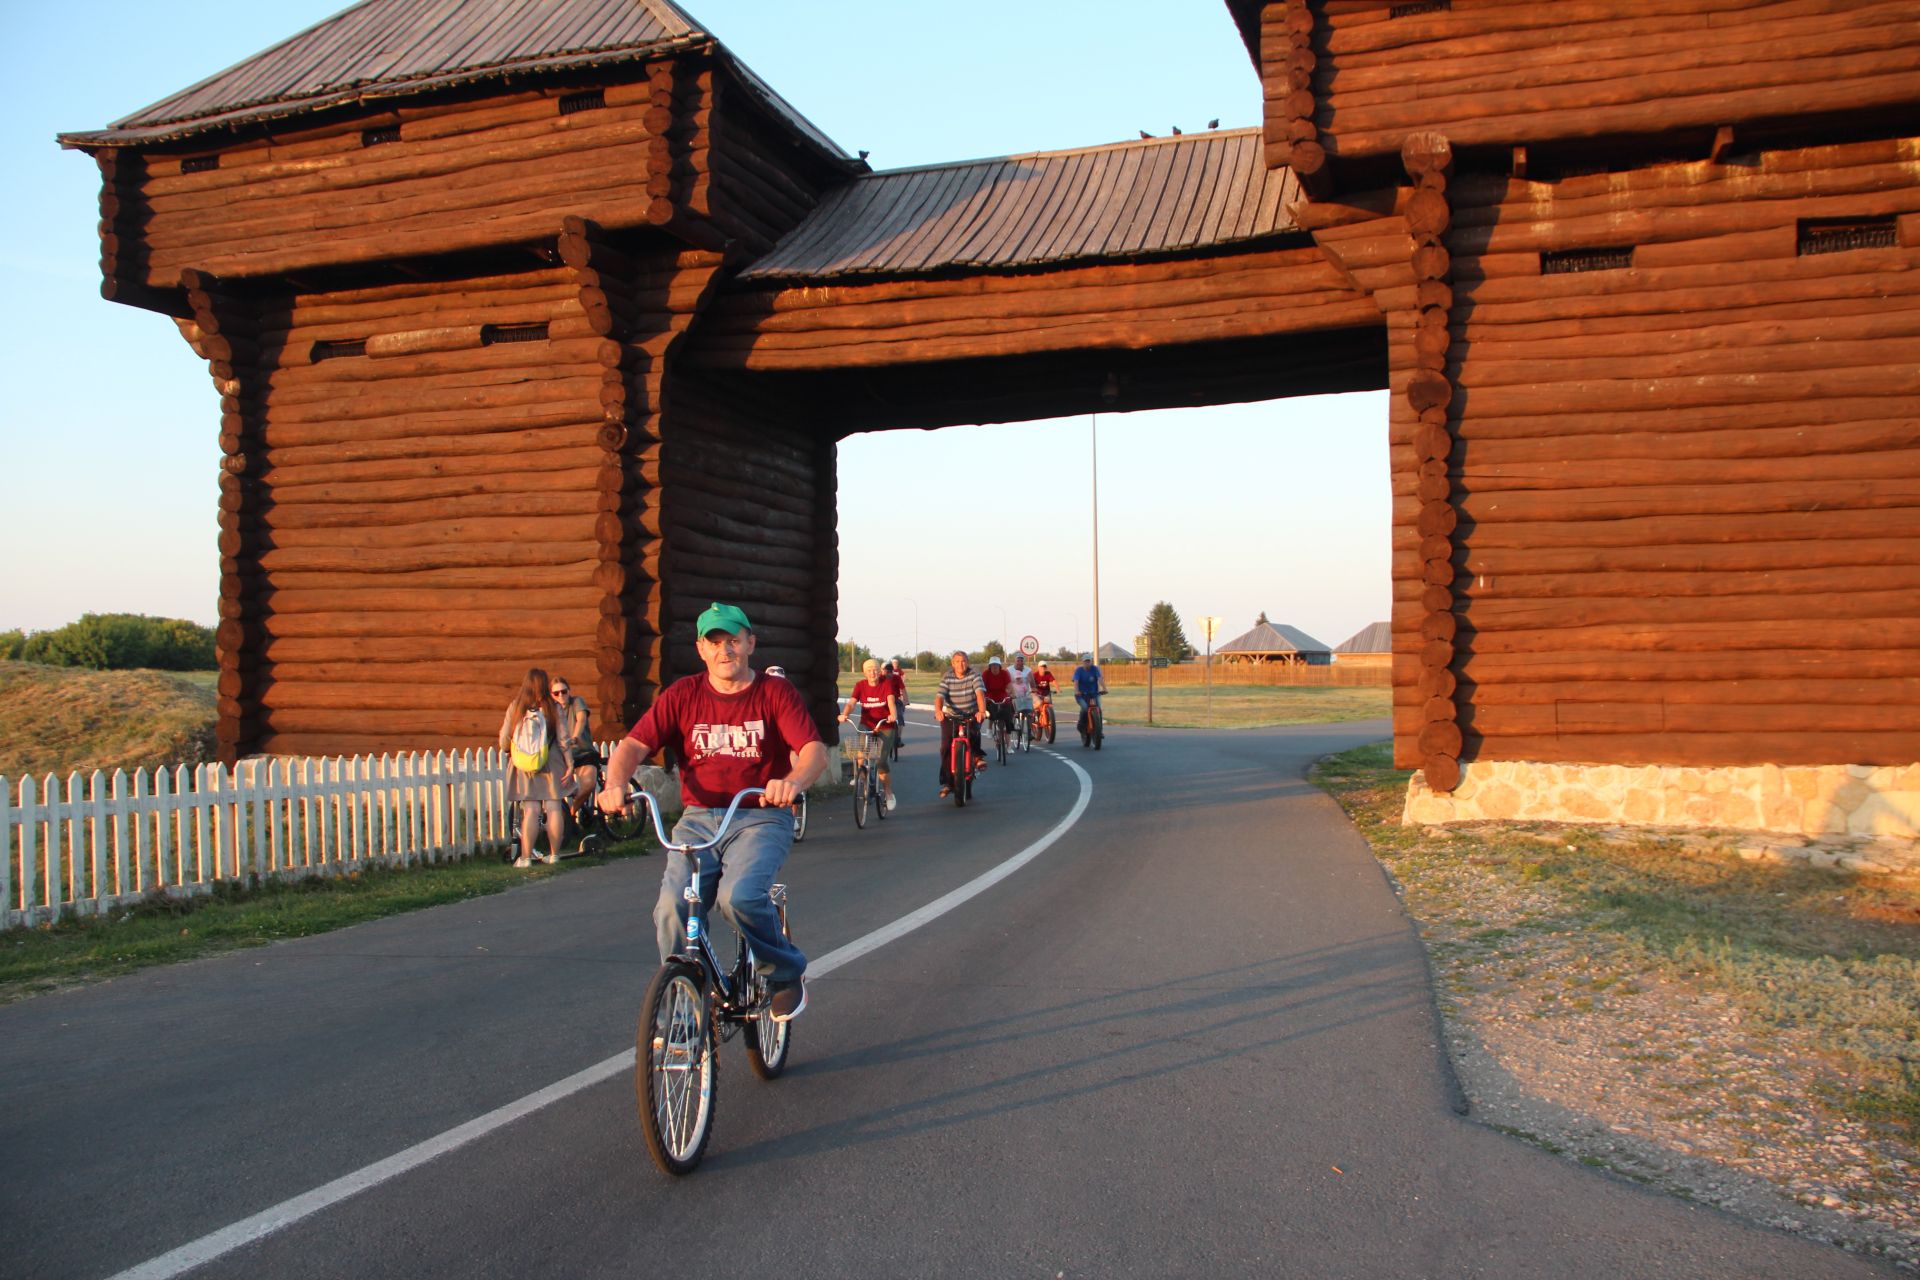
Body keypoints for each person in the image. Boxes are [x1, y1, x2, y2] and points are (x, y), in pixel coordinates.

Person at [600, 602, 827, 1022]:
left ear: (750, 644)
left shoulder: (774, 693)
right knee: (672, 905)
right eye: (715, 642)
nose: (726, 650)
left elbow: (813, 751)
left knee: (738, 897)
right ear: (702, 649)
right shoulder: (683, 695)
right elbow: (632, 746)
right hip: (699, 817)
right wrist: (615, 784)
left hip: (760, 814)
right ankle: (684, 1005)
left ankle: (783, 972)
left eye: (734, 641)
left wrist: (793, 781)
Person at [499, 667, 571, 867]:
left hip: (525, 766)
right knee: (554, 807)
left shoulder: (516, 707)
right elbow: (564, 739)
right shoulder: (553, 707)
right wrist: (570, 763)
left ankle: (525, 857)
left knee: (531, 810)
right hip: (550, 762)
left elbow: (504, 740)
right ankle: (554, 854)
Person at [838, 657, 899, 812]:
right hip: (867, 724)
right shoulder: (860, 685)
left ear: (879, 671)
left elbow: (891, 700)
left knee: (881, 762)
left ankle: (888, 793)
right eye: (869, 670)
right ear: (864, 673)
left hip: (885, 725)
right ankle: (865, 781)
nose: (873, 673)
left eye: (875, 670)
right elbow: (851, 703)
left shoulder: (886, 683)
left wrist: (893, 714)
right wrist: (844, 714)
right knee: (861, 755)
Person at [934, 648, 988, 800]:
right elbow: (939, 696)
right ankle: (947, 782)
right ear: (952, 663)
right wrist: (938, 711)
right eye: (957, 661)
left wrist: (981, 711)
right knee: (945, 746)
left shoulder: (974, 675)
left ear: (967, 662)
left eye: (963, 661)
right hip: (951, 716)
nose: (961, 664)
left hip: (971, 714)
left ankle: (976, 757)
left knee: (974, 731)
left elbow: (979, 693)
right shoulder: (947, 677)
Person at [551, 675, 596, 826]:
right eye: (556, 693)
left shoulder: (577, 702)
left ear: (569, 691)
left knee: (589, 784)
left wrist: (575, 737)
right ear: (551, 695)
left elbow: (581, 719)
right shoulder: (551, 711)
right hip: (563, 756)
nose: (561, 696)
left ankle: (571, 813)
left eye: (563, 691)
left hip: (582, 752)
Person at [980, 655, 1013, 758]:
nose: (994, 668)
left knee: (1008, 713)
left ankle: (1009, 745)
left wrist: (1012, 693)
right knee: (991, 710)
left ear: (1000, 666)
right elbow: (981, 687)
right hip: (990, 695)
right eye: (992, 666)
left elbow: (1009, 686)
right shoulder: (986, 674)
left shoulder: (1005, 673)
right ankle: (990, 728)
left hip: (1002, 694)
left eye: (996, 665)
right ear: (990, 667)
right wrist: (983, 697)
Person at [1073, 652, 1108, 738]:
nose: (1087, 663)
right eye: (1085, 661)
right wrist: (1077, 691)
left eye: (1089, 661)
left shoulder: (1095, 669)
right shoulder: (1078, 670)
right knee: (1085, 708)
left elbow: (1100, 679)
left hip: (1094, 694)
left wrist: (1104, 688)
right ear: (1082, 662)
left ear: (1091, 661)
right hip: (1081, 695)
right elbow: (1076, 682)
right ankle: (1081, 725)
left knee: (1098, 709)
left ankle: (1100, 731)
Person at [1006, 653, 1036, 738]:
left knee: (1029, 712)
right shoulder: (1009, 670)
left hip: (1025, 694)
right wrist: (1009, 692)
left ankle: (1030, 732)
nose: (1020, 662)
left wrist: (1033, 689)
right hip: (1013, 694)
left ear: (1023, 662)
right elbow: (1005, 683)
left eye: (1021, 660)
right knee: (1010, 709)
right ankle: (1011, 724)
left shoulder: (1028, 670)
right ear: (1014, 661)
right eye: (1018, 660)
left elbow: (1033, 683)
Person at [1031, 659, 1059, 739]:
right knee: (1038, 705)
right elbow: (1031, 684)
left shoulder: (1048, 674)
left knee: (1049, 707)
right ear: (1038, 667)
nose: (1043, 668)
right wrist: (1033, 690)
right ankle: (1035, 718)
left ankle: (1048, 720)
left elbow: (1053, 681)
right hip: (1037, 694)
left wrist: (1057, 689)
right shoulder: (1035, 675)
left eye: (1044, 667)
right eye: (1042, 667)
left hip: (1046, 693)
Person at [885, 659, 910, 745]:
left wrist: (906, 700)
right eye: (887, 672)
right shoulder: (881, 678)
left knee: (900, 717)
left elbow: (903, 689)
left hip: (896, 700)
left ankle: (898, 738)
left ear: (893, 672)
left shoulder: (897, 678)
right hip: (884, 701)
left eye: (890, 672)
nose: (889, 674)